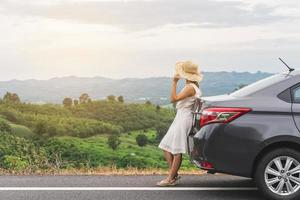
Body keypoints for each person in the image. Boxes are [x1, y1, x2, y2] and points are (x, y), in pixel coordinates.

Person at [156, 61, 203, 186]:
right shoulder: (193, 87)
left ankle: (170, 178)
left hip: (183, 119)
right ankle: (174, 174)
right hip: (181, 117)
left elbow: (173, 99)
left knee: (176, 150)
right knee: (166, 146)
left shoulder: (189, 88)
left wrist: (174, 82)